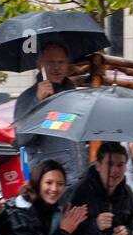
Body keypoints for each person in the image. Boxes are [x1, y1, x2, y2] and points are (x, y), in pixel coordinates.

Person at [12, 42, 84, 183]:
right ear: (39, 65)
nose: (56, 67)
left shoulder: (74, 96)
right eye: (50, 62)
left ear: (68, 64)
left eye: (61, 62)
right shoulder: (27, 98)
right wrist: (38, 102)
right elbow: (21, 139)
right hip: (49, 186)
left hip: (78, 182)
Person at [68, 141, 133, 235]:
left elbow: (130, 225)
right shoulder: (80, 191)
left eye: (120, 165)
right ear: (98, 166)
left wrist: (125, 233)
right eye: (109, 164)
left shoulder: (128, 194)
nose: (115, 170)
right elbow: (68, 231)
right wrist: (95, 225)